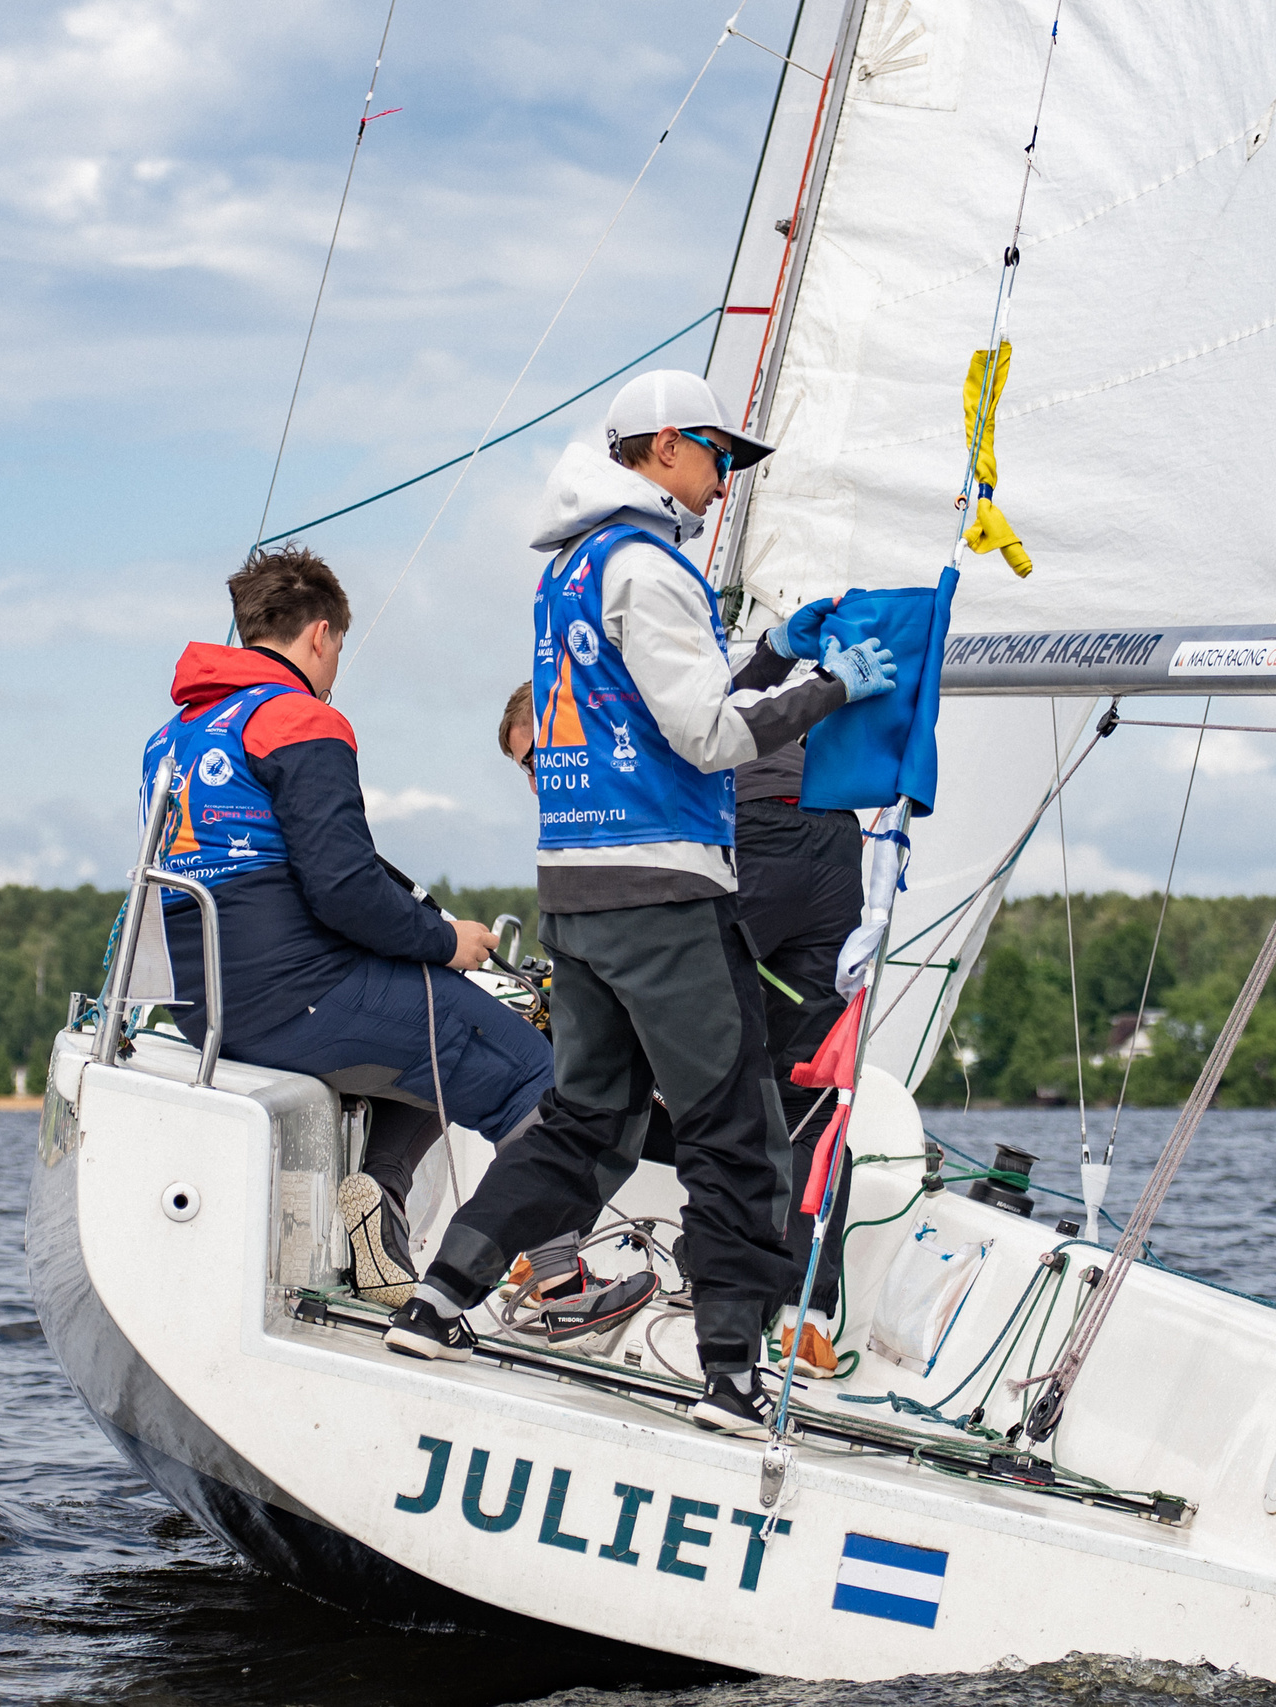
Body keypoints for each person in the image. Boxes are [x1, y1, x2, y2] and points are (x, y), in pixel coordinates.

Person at [384, 369, 898, 1439]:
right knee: (735, 1135)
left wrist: (774, 655)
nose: (725, 481)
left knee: (587, 1123)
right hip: (666, 894)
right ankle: (732, 1377)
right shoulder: (651, 567)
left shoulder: (571, 568)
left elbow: (657, 707)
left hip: (578, 894)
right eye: (719, 455)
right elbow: (708, 738)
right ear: (665, 446)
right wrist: (833, 688)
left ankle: (439, 1302)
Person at [140, 546, 549, 1307]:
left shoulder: (175, 736)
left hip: (207, 1012)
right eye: (337, 653)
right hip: (298, 1000)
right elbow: (344, 889)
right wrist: (446, 942)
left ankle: (377, 1198)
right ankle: (556, 1278)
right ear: (320, 635)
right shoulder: (300, 718)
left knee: (432, 1033)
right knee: (531, 1069)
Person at [500, 681, 862, 1380]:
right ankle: (804, 1320)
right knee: (808, 1085)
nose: (540, 781)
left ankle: (555, 1245)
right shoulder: (674, 691)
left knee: (634, 1049)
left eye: (538, 760)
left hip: (748, 828)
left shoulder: (602, 725)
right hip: (830, 827)